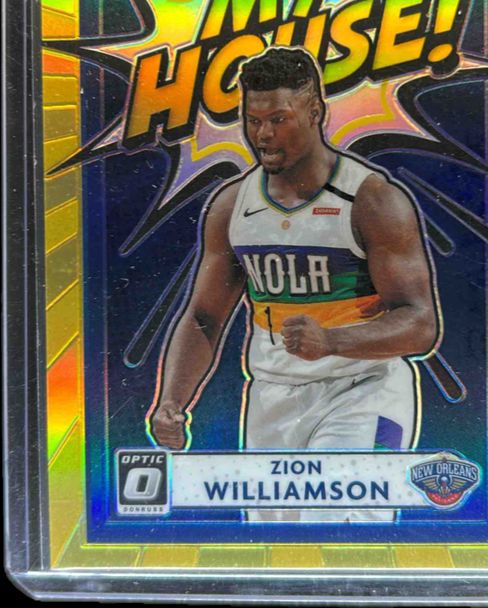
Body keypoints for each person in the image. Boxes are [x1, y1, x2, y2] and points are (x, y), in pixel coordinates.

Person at [149, 46, 441, 521]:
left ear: (315, 112)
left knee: (339, 530)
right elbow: (203, 318)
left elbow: (421, 324)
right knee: (273, 547)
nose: (263, 135)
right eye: (253, 120)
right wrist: (172, 401)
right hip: (271, 395)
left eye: (279, 119)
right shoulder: (232, 205)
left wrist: (332, 340)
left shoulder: (372, 199)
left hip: (362, 388)